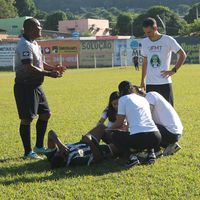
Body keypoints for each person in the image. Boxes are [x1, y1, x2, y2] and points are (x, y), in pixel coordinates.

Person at [14, 18, 66, 159]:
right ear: (30, 29)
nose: (41, 28)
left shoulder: (34, 43)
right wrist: (49, 74)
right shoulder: (24, 45)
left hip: (36, 86)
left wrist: (53, 68)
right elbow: (28, 67)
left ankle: (38, 147)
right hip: (25, 86)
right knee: (27, 119)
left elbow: (40, 63)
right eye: (38, 27)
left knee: (45, 114)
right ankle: (27, 152)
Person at [108, 81, 162, 167]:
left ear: (121, 92)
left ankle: (132, 158)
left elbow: (119, 122)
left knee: (115, 136)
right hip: (156, 137)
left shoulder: (123, 99)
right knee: (145, 129)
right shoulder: (143, 99)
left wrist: (108, 129)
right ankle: (151, 154)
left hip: (139, 138)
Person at [140, 17, 186, 106]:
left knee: (169, 110)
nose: (147, 35)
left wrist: (174, 70)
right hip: (150, 83)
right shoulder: (145, 42)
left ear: (155, 28)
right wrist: (142, 80)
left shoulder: (168, 40)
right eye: (145, 33)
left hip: (164, 82)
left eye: (149, 32)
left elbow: (182, 54)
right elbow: (145, 62)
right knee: (152, 112)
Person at [132, 86, 183, 156]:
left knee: (144, 126)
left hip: (171, 132)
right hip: (174, 132)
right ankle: (170, 145)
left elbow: (146, 117)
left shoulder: (149, 96)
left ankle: (156, 151)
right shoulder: (152, 95)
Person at [45, 125, 115, 169]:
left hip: (84, 142)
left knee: (101, 127)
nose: (59, 150)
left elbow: (50, 133)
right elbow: (97, 159)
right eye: (62, 153)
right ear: (65, 159)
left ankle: (115, 138)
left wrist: (60, 145)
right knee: (118, 146)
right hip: (95, 150)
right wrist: (90, 143)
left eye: (58, 151)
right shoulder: (75, 161)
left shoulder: (52, 156)